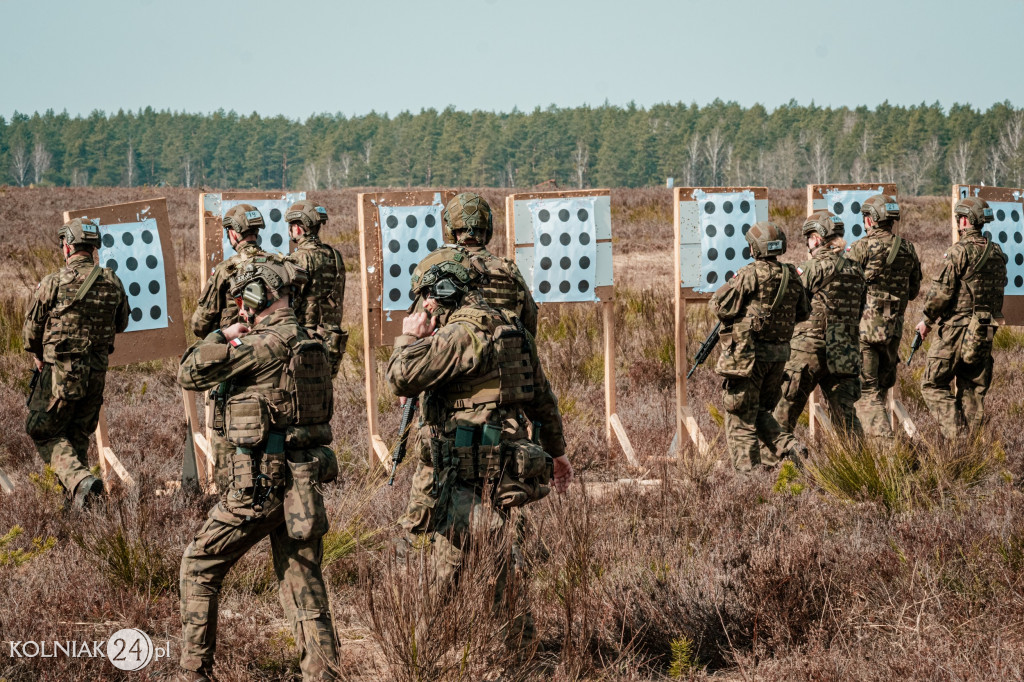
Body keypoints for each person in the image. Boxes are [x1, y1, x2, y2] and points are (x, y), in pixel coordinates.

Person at [386, 257, 572, 648]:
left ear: (442, 293)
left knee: (475, 557)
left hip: (464, 468)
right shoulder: (512, 327)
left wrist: (410, 338)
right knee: (477, 556)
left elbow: (401, 377)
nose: (425, 308)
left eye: (427, 299)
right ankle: (510, 649)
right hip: (506, 469)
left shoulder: (460, 334)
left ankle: (429, 653)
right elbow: (542, 398)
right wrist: (558, 452)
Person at [175, 259, 339, 681]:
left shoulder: (265, 344)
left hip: (259, 487)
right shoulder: (311, 341)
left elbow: (189, 371)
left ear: (257, 296)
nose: (237, 305)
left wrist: (220, 335)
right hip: (301, 488)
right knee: (304, 589)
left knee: (198, 565)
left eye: (242, 296)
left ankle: (194, 673)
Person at [397, 192, 539, 536]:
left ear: (450, 227)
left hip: (445, 394)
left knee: (434, 482)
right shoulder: (508, 271)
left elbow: (419, 325)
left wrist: (409, 382)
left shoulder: (435, 266)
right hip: (502, 401)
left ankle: (431, 553)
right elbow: (530, 328)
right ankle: (500, 549)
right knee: (497, 482)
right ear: (487, 227)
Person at [23, 218, 129, 509]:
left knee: (40, 429)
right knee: (77, 437)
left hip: (60, 374)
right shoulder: (113, 281)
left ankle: (81, 481)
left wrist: (38, 354)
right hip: (95, 375)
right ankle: (81, 509)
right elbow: (121, 323)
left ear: (67, 246)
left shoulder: (53, 282)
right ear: (93, 248)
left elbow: (30, 332)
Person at [710, 221, 810, 472]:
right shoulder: (791, 276)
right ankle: (788, 446)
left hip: (748, 359)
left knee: (741, 418)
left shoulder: (750, 274)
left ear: (755, 248)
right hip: (777, 358)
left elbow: (719, 306)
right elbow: (803, 312)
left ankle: (749, 480)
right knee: (761, 412)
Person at [917, 197, 1007, 439]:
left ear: (965, 220)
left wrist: (926, 320)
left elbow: (940, 294)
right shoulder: (997, 253)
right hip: (984, 330)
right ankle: (971, 451)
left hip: (956, 330)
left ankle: (958, 438)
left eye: (959, 219)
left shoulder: (959, 252)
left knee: (932, 384)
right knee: (973, 388)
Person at [774, 211, 867, 442]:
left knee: (783, 416)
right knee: (847, 421)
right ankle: (859, 470)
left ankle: (778, 471)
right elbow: (860, 308)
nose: (808, 243)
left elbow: (787, 307)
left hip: (808, 351)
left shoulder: (811, 269)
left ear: (816, 238)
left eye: (809, 238)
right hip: (845, 352)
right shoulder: (856, 271)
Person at [845, 194, 923, 437]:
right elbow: (913, 291)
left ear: (870, 220)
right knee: (880, 390)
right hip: (894, 329)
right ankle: (876, 447)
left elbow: (845, 287)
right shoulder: (908, 248)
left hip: (866, 330)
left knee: (865, 392)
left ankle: (886, 448)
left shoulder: (862, 248)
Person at [191, 204, 275, 338]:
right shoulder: (277, 263)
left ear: (233, 233)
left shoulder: (226, 269)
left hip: (239, 346)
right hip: (276, 342)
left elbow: (199, 324)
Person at [285, 201, 348, 376]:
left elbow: (291, 303)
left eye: (291, 226)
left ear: (298, 228)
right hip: (331, 336)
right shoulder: (335, 256)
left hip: (306, 338)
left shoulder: (300, 258)